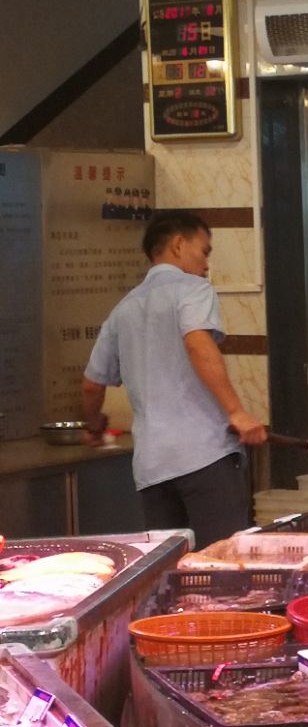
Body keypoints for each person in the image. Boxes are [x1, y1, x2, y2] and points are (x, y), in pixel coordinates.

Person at [81, 210, 267, 547]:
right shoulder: (193, 289)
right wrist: (237, 412)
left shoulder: (122, 309)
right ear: (178, 245)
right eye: (204, 251)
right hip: (205, 457)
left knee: (169, 565)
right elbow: (197, 342)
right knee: (221, 562)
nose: (206, 264)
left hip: (153, 468)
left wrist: (94, 426)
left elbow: (92, 385)